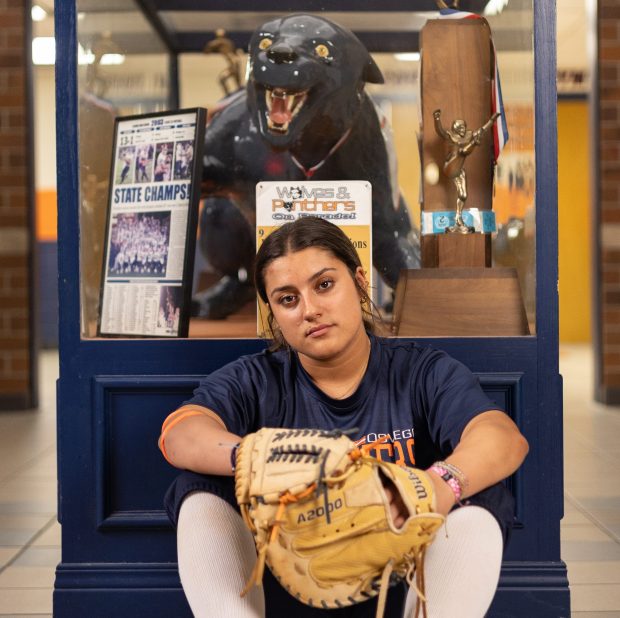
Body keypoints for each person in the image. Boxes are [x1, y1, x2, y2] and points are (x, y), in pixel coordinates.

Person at [159, 216, 528, 618]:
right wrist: (257, 457)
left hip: (403, 584)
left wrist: (438, 486)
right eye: (287, 299)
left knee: (482, 493)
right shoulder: (257, 378)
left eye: (324, 285)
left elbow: (502, 437)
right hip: (294, 581)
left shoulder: (420, 371)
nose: (310, 310)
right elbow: (180, 434)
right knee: (199, 487)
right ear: (275, 315)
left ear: (359, 281)